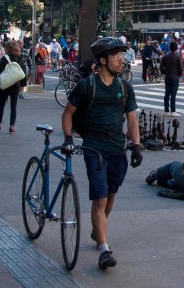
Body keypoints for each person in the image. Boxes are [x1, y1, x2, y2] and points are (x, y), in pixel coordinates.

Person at [61, 36, 142, 271]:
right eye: (117, 57)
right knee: (101, 197)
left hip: (117, 148)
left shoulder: (125, 88)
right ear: (103, 60)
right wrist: (68, 138)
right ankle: (104, 248)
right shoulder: (87, 86)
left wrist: (136, 145)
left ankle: (98, 229)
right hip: (94, 147)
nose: (122, 61)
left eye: (123, 56)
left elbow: (132, 118)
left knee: (112, 194)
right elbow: (68, 114)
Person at [0, 40, 28, 133]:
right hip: (16, 84)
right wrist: (23, 84)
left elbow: (0, 72)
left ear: (8, 48)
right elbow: (22, 70)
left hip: (6, 84)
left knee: (2, 104)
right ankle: (12, 126)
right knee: (13, 106)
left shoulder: (5, 58)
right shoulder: (19, 57)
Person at [160, 41, 183, 116]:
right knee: (173, 95)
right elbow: (181, 69)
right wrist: (179, 75)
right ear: (176, 48)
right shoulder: (178, 57)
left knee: (167, 94)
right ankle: (173, 111)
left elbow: (161, 67)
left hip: (167, 77)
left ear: (169, 48)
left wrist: (164, 72)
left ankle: (166, 110)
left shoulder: (165, 57)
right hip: (175, 77)